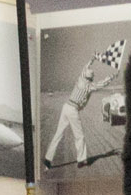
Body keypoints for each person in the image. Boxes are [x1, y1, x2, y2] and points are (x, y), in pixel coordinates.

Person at [45, 41, 124, 169]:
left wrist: (92, 59)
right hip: (73, 110)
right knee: (79, 136)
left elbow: (85, 66)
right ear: (91, 78)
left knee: (58, 133)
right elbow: (102, 84)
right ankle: (81, 160)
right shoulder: (89, 86)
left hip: (66, 107)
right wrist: (113, 76)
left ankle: (48, 159)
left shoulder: (80, 79)